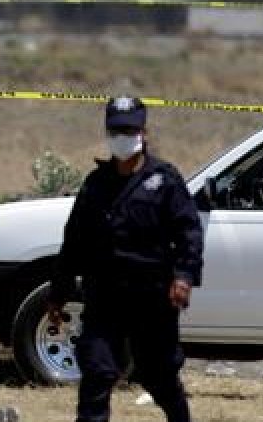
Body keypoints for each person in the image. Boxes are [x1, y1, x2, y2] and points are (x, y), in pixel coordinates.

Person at [48, 96, 203, 422]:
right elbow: (74, 241)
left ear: (143, 132)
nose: (123, 136)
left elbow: (189, 232)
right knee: (97, 371)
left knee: (157, 374)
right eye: (117, 130)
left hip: (152, 297)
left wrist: (184, 277)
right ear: (108, 133)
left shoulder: (164, 180)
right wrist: (58, 294)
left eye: (130, 130)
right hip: (105, 296)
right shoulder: (96, 184)